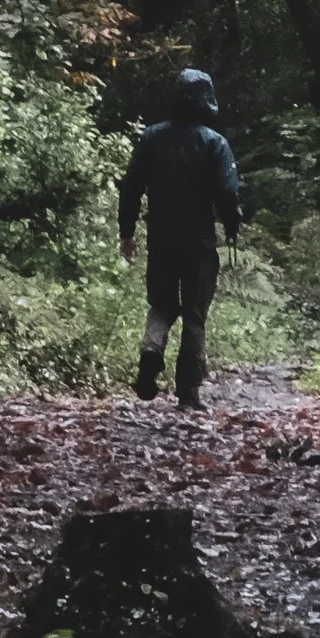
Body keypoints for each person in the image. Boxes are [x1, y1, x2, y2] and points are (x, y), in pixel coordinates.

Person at [119, 67, 243, 410]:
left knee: (161, 304)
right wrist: (232, 225)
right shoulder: (214, 143)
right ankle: (188, 393)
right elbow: (227, 193)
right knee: (194, 313)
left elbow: (130, 188)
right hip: (198, 242)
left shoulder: (151, 138)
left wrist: (126, 232)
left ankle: (150, 350)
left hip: (160, 237)